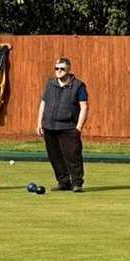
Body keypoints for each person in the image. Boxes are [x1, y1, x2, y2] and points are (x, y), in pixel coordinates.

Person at [37, 57, 88, 192]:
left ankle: (77, 183)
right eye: (57, 68)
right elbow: (43, 103)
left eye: (62, 69)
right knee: (55, 157)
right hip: (49, 126)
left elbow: (84, 107)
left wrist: (78, 128)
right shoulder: (50, 84)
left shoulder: (78, 86)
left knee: (73, 156)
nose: (59, 71)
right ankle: (63, 182)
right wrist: (39, 123)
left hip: (69, 127)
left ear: (69, 69)